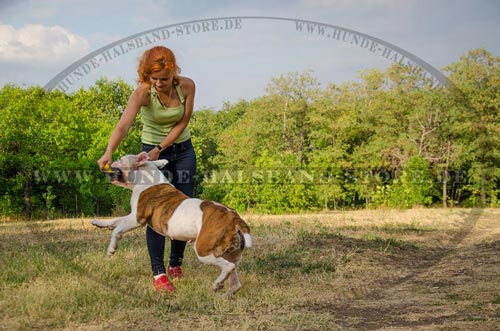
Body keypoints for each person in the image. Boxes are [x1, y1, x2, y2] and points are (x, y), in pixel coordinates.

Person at [97, 46, 196, 293]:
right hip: (149, 154)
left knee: (183, 206)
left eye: (165, 78)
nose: (160, 83)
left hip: (182, 151)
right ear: (146, 76)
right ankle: (159, 273)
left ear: (174, 71)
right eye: (154, 79)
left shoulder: (187, 86)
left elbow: (184, 120)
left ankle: (176, 263)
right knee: (153, 212)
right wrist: (109, 151)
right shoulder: (143, 93)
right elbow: (123, 126)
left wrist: (161, 148)